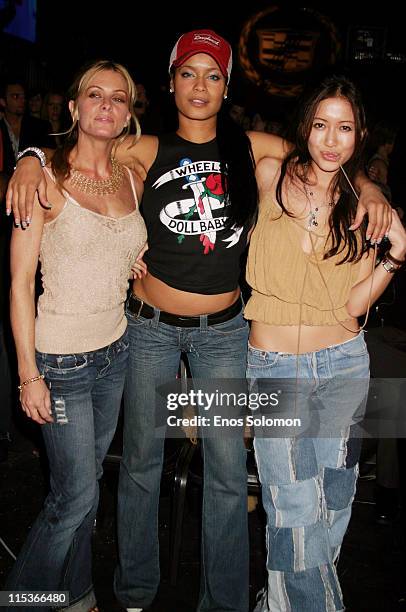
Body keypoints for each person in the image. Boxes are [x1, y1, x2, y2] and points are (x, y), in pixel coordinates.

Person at [6, 31, 391, 612]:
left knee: (226, 469)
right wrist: (30, 159)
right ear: (169, 82)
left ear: (226, 86)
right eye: (188, 73)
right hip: (149, 329)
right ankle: (135, 592)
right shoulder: (145, 149)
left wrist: (370, 186)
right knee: (140, 463)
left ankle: (226, 601)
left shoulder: (252, 145)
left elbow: (326, 155)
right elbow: (80, 150)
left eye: (213, 75)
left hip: (227, 334)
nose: (200, 85)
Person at [244, 75, 406, 611]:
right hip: (274, 365)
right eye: (320, 125)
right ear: (304, 128)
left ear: (359, 136)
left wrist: (392, 259)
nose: (331, 139)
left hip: (344, 362)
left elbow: (355, 306)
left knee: (335, 502)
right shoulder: (270, 174)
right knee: (292, 506)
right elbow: (213, 137)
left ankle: (278, 605)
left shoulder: (364, 206)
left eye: (344, 128)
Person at [5, 59, 147, 612]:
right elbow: (18, 283)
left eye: (118, 96)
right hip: (59, 361)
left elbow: (120, 239)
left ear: (128, 111)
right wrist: (27, 375)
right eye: (95, 94)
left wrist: (130, 254)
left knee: (84, 496)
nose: (106, 105)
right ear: (74, 108)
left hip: (115, 350)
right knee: (75, 497)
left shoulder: (131, 177)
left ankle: (77, 595)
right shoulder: (43, 179)